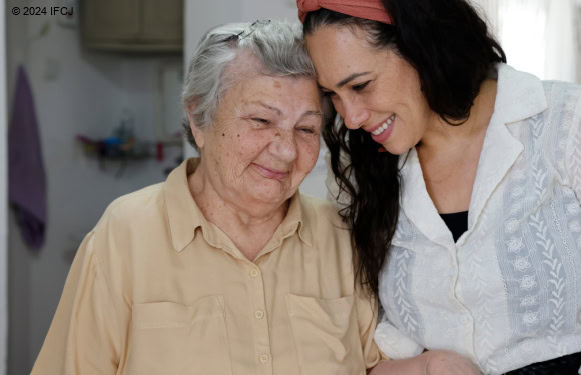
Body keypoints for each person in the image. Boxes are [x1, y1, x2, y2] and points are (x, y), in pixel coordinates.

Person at [297, 0, 581, 374]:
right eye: (333, 95)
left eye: (361, 86)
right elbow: (368, 328)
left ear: (423, 47)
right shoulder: (360, 173)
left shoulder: (571, 123)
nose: (350, 118)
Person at [31, 20, 381, 375]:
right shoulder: (124, 236)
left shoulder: (337, 234)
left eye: (306, 128)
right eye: (261, 120)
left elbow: (373, 365)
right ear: (199, 119)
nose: (287, 151)